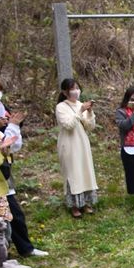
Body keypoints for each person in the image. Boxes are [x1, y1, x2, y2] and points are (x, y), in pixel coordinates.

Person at [0, 78, 45, 257]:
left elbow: (12, 145)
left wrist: (12, 126)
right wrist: (8, 128)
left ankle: (25, 248)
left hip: (4, 177)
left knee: (16, 216)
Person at [55, 77, 98, 218]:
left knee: (84, 170)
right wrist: (80, 111)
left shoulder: (80, 104)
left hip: (82, 143)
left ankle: (85, 203)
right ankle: (74, 205)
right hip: (69, 144)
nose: (76, 91)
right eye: (72, 88)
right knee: (73, 173)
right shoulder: (61, 107)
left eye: (77, 88)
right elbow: (68, 125)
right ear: (65, 91)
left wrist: (90, 112)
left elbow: (90, 126)